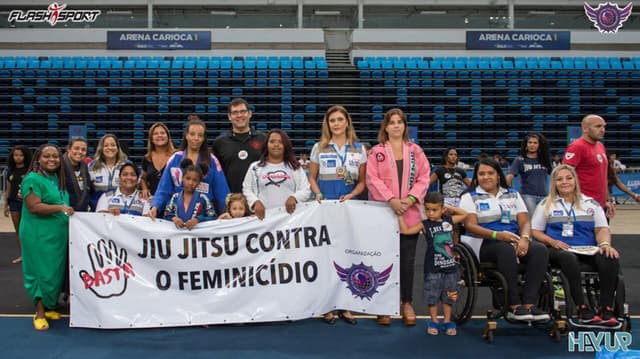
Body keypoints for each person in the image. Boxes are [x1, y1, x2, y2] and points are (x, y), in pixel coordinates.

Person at [459, 157, 550, 322]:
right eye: (481, 174)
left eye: (490, 173)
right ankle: (513, 305)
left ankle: (529, 304)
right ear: (476, 177)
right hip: (484, 242)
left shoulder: (513, 194)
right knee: (505, 248)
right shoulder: (469, 197)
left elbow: (524, 221)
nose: (486, 177)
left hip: (514, 240)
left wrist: (524, 239)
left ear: (498, 175)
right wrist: (497, 235)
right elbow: (471, 226)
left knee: (539, 250)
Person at [531, 164, 621, 326]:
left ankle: (606, 308)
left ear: (575, 180)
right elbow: (535, 231)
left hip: (588, 249)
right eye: (559, 179)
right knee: (568, 258)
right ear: (554, 183)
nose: (564, 182)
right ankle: (582, 306)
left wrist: (605, 244)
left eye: (569, 178)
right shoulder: (546, 204)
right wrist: (553, 242)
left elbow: (602, 229)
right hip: (558, 250)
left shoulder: (591, 204)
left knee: (610, 256)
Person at [366, 108, 430, 326]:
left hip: (409, 212)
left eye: (399, 122)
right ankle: (383, 305)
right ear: (385, 127)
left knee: (408, 260)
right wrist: (391, 199)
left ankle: (407, 302)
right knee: (382, 258)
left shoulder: (416, 151)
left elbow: (424, 177)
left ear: (404, 126)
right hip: (384, 211)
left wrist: (410, 200)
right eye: (391, 122)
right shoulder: (377, 151)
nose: (395, 126)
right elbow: (372, 179)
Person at [308, 105, 367, 325]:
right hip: (326, 209)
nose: (336, 123)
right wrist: (318, 193)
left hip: (349, 209)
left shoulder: (359, 149)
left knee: (348, 256)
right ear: (328, 124)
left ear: (347, 122)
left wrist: (352, 194)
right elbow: (312, 178)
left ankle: (346, 306)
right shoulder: (319, 148)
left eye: (340, 119)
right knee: (326, 256)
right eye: (332, 120)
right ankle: (327, 305)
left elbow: (362, 182)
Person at [19, 144, 75, 331]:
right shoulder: (32, 179)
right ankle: (40, 313)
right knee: (39, 271)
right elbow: (34, 206)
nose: (52, 160)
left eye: (56, 156)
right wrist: (60, 208)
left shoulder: (55, 179)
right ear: (38, 159)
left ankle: (49, 306)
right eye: (47, 156)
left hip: (56, 236)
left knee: (53, 272)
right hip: (38, 235)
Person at [399, 192, 467, 336]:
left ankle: (448, 321)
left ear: (442, 209)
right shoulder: (425, 224)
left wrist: (448, 207)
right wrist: (399, 216)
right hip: (432, 269)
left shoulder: (448, 220)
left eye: (434, 210)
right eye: (427, 209)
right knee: (432, 297)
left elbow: (465, 215)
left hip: (450, 269)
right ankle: (434, 321)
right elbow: (406, 231)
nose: (430, 213)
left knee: (449, 297)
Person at [148, 119, 229, 219]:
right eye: (192, 134)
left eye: (200, 135)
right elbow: (164, 188)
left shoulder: (212, 160)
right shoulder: (175, 159)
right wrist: (155, 206)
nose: (196, 138)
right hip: (177, 217)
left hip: (204, 217)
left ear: (204, 138)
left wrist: (227, 211)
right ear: (186, 136)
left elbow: (221, 191)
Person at [242, 129, 310, 220]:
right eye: (272, 141)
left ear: (285, 145)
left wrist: (294, 197)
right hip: (263, 219)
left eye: (280, 142)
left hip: (290, 219)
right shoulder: (255, 167)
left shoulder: (295, 167)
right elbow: (247, 189)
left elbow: (306, 189)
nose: (276, 145)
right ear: (266, 144)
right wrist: (255, 202)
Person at [563, 114, 614, 218]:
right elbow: (565, 175)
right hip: (583, 205)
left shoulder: (600, 146)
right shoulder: (576, 147)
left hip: (600, 205)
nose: (602, 130)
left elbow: (603, 177)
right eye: (598, 126)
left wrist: (607, 200)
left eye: (604, 126)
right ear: (585, 129)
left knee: (602, 233)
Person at [212, 98, 267, 193]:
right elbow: (216, 175)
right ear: (229, 116)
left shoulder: (263, 139)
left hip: (258, 200)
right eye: (235, 112)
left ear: (250, 113)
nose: (239, 115)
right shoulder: (219, 143)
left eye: (243, 111)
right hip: (231, 201)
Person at [506, 132, 552, 216]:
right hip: (528, 196)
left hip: (544, 196)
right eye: (530, 142)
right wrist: (504, 191)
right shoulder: (519, 160)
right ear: (526, 144)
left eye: (535, 143)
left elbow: (554, 175)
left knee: (543, 221)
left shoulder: (545, 159)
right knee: (532, 220)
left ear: (539, 145)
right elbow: (510, 176)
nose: (532, 145)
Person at [164, 159, 215, 229]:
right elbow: (166, 214)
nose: (191, 183)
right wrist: (174, 218)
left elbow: (212, 216)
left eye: (195, 180)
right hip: (176, 237)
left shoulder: (203, 198)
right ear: (182, 178)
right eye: (188, 178)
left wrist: (198, 219)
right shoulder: (175, 197)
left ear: (199, 183)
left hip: (196, 237)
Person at [3, 145, 32, 264]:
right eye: (15, 155)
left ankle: (32, 254)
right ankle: (22, 255)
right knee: (18, 230)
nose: (18, 157)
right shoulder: (10, 171)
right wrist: (6, 204)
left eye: (20, 155)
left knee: (29, 229)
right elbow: (8, 188)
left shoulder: (30, 170)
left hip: (27, 202)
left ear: (25, 156)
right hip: (14, 202)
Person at [88, 134, 128, 211]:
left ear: (118, 147)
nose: (110, 148)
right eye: (106, 145)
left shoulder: (126, 165)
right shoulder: (92, 166)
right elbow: (86, 190)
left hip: (120, 210)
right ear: (101, 148)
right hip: (98, 209)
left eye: (113, 145)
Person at [140, 122, 176, 200]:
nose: (159, 135)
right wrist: (145, 189)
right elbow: (143, 178)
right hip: (152, 201)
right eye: (155, 133)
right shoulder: (147, 158)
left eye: (162, 133)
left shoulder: (176, 156)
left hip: (172, 201)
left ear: (168, 136)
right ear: (151, 139)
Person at [63, 137, 92, 212]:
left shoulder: (84, 166)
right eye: (76, 148)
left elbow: (87, 189)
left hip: (81, 214)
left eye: (83, 150)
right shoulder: (60, 165)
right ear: (69, 149)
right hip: (64, 212)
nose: (80, 152)